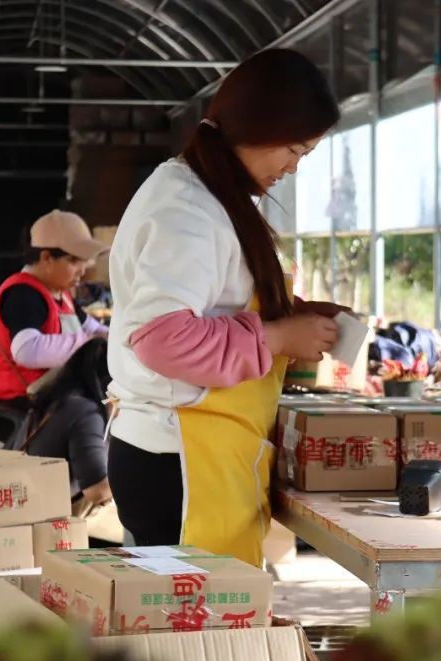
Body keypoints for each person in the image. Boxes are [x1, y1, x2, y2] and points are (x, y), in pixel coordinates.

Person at [107, 49, 348, 568]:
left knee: (202, 626)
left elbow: (216, 303)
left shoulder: (216, 196)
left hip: (200, 453)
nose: (293, 166)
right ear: (258, 126)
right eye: (293, 149)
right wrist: (280, 338)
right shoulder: (186, 207)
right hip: (179, 460)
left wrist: (296, 315)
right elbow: (163, 338)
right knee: (189, 632)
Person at [0, 210, 110, 408]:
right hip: (25, 402)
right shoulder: (23, 294)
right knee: (90, 412)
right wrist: (91, 344)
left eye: (84, 260)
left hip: (57, 395)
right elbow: (26, 350)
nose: (83, 269)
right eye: (73, 260)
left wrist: (119, 340)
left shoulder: (62, 294)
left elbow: (93, 328)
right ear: (47, 258)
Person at [20, 337, 123, 543]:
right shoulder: (85, 412)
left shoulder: (58, 400)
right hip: (44, 529)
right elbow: (98, 491)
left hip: (24, 511)